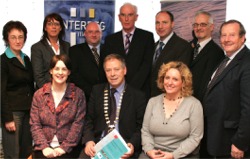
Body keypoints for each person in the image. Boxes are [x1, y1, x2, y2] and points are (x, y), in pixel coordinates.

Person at [80, 54, 147, 158]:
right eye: (108, 70)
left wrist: (132, 144)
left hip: (124, 148)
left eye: (116, 69)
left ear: (124, 70)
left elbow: (141, 127)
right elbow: (88, 121)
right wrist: (88, 140)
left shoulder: (138, 96)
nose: (112, 74)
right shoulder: (97, 91)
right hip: (97, 146)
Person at [202, 20, 250, 158]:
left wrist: (240, 143)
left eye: (232, 35)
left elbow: (248, 109)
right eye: (223, 35)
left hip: (232, 142)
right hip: (217, 137)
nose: (226, 39)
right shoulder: (225, 60)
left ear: (242, 37)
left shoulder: (247, 63)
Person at [140, 61, 203, 159]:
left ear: (183, 82)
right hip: (152, 154)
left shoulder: (194, 104)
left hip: (182, 155)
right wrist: (149, 151)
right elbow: (145, 131)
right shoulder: (153, 102)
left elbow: (195, 137)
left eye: (175, 79)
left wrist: (173, 155)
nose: (169, 82)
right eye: (167, 78)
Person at [30, 54, 86, 158]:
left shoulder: (78, 94)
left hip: (69, 150)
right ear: (51, 71)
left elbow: (78, 124)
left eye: (64, 69)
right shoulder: (39, 95)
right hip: (43, 149)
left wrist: (64, 148)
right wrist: (44, 147)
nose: (60, 73)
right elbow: (35, 124)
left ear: (69, 72)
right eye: (57, 69)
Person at [101, 2, 155, 99]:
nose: (126, 19)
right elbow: (106, 65)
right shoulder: (110, 40)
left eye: (130, 15)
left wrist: (130, 88)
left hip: (140, 91)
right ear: (119, 17)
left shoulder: (147, 37)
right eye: (123, 15)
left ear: (136, 17)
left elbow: (146, 65)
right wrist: (119, 87)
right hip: (115, 92)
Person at [1, 20, 34, 158]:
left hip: (28, 111)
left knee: (26, 152)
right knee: (12, 154)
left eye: (21, 37)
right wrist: (7, 118)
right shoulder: (3, 61)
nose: (17, 40)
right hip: (13, 113)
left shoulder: (26, 59)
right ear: (6, 39)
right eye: (13, 37)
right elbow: (0, 92)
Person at [151, 11, 193, 97]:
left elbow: (180, 77)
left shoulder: (183, 46)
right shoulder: (152, 47)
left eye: (164, 22)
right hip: (151, 99)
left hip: (169, 99)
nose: (160, 26)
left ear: (172, 24)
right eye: (157, 23)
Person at [190, 11, 224, 102]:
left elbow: (207, 85)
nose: (198, 28)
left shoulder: (217, 53)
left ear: (211, 27)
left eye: (203, 24)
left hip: (198, 104)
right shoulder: (187, 47)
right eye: (196, 25)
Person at [31, 12, 70, 89]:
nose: (53, 27)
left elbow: (69, 70)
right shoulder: (37, 47)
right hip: (45, 93)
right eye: (50, 24)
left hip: (64, 91)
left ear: (61, 28)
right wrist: (51, 93)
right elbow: (38, 76)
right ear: (45, 28)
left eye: (56, 24)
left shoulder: (67, 46)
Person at [69, 22, 102, 102]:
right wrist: (92, 92)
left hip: (105, 96)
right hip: (84, 97)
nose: (94, 35)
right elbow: (74, 75)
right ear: (85, 34)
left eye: (97, 32)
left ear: (101, 34)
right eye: (90, 32)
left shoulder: (108, 49)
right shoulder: (75, 51)